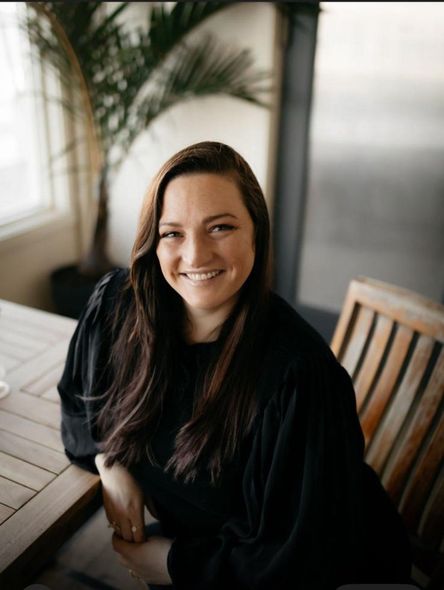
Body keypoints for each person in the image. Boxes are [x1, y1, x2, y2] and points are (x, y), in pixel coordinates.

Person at [58, 141, 411, 590]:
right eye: (173, 233)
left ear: (256, 233)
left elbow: (303, 557)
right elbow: (76, 406)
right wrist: (112, 463)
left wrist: (173, 564)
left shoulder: (297, 376)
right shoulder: (118, 306)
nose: (196, 255)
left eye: (220, 227)